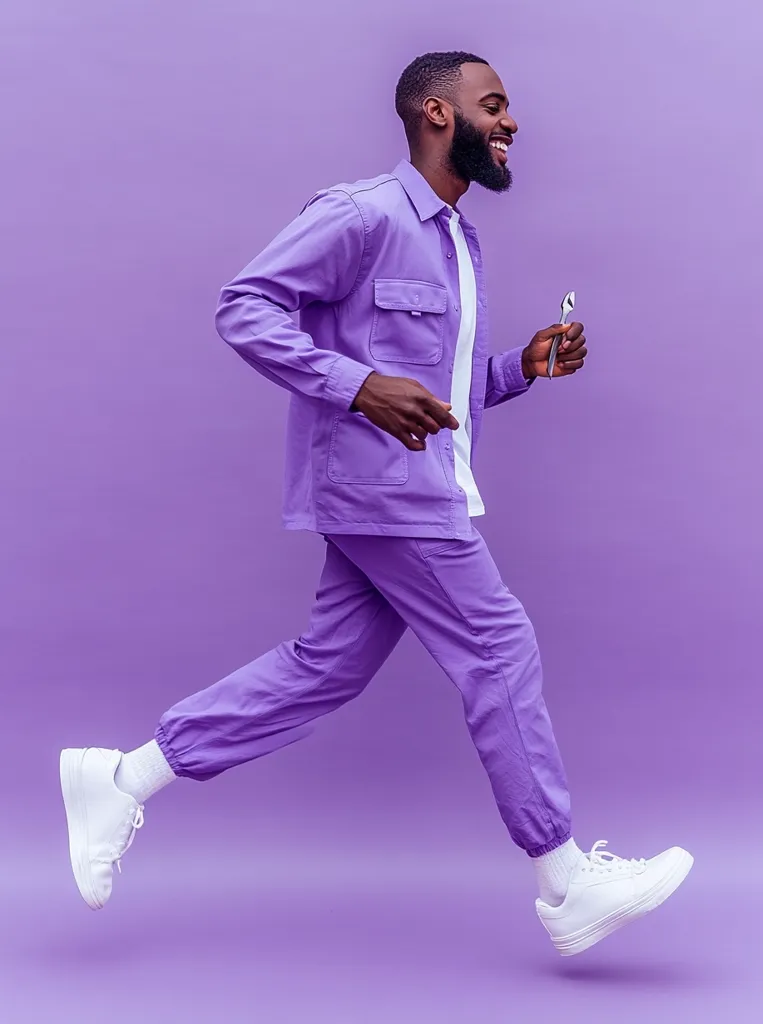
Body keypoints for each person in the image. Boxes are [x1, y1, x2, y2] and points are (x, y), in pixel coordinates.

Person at [59, 51, 692, 956]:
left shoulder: (458, 241)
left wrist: (518, 368)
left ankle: (122, 779)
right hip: (387, 491)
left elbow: (431, 389)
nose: (512, 123)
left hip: (413, 486)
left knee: (327, 667)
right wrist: (355, 385)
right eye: (494, 105)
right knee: (498, 646)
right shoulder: (363, 214)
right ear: (438, 113)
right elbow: (245, 307)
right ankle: (564, 881)